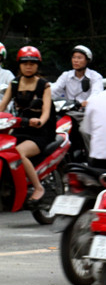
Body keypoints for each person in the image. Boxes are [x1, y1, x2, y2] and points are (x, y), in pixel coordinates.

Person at [0, 46, 53, 205]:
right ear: (19, 65)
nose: (28, 66)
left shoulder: (44, 85)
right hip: (20, 127)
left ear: (37, 65)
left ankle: (38, 188)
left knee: (18, 152)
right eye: (25, 63)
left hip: (39, 131)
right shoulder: (14, 83)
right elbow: (2, 106)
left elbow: (46, 111)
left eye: (32, 63)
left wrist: (40, 121)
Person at [51, 45, 104, 154]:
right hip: (68, 113)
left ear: (87, 60)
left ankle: (92, 157)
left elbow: (96, 93)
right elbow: (54, 89)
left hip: (85, 114)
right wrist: (44, 93)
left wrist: (88, 102)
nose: (76, 60)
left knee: (84, 131)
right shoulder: (66, 76)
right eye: (74, 57)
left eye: (79, 58)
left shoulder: (95, 77)